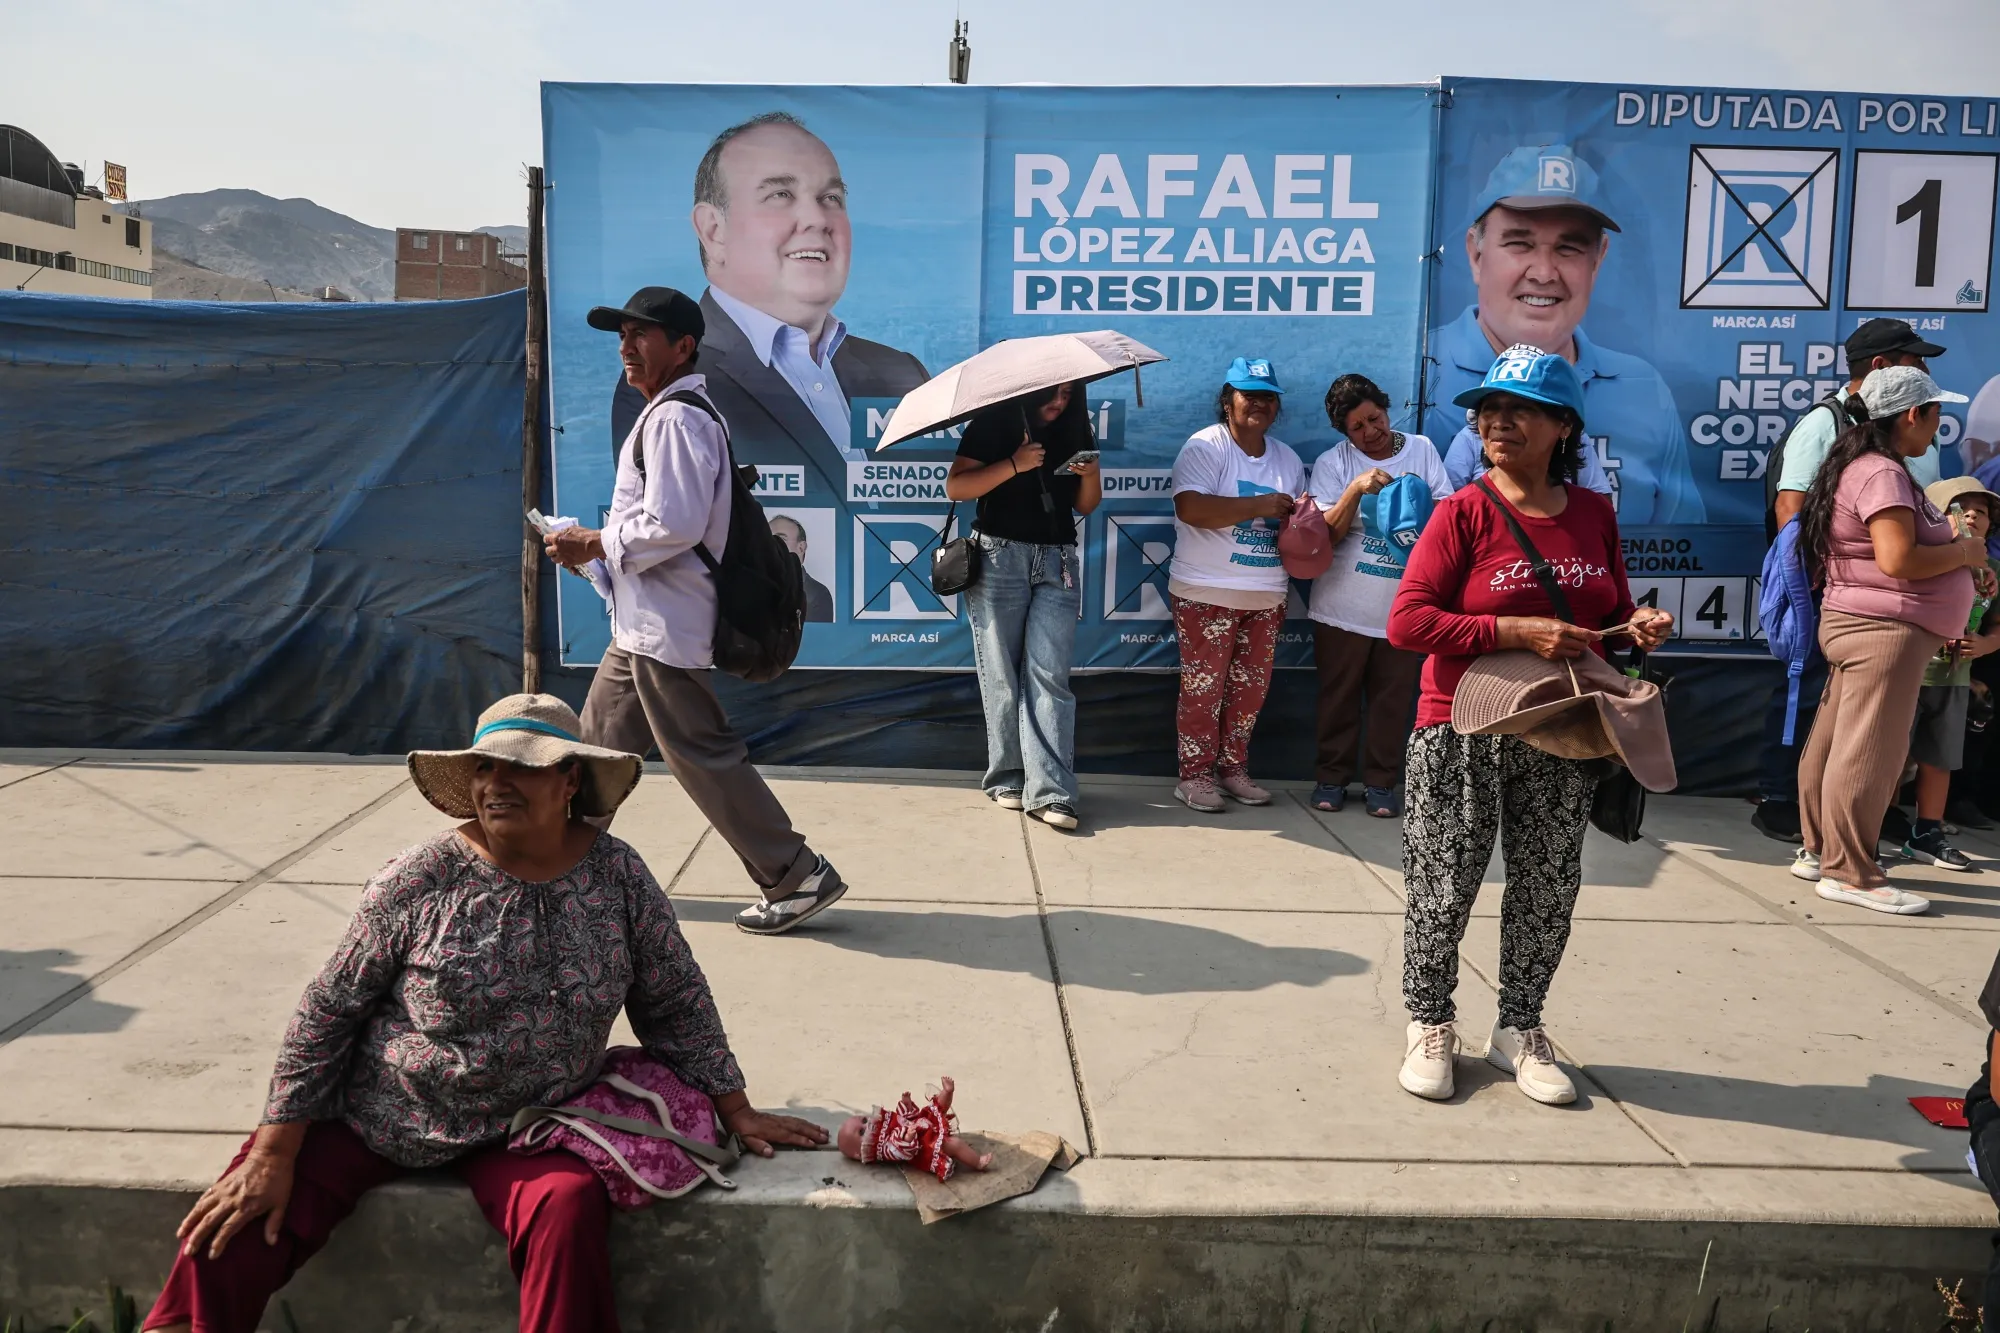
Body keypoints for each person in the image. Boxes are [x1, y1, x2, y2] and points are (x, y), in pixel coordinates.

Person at [139, 694, 826, 1333]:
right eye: (486, 767)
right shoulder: (417, 878)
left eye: (523, 768)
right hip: (379, 1111)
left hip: (528, 1126)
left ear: (570, 783)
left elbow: (675, 999)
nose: (498, 781)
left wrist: (736, 1109)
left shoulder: (618, 876)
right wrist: (273, 1150)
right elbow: (328, 1011)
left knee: (566, 1204)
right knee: (236, 1218)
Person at [1387, 346, 1674, 1106]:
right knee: (1443, 885)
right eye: (1488, 408)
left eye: (1519, 409)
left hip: (1562, 728)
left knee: (1548, 885)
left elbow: (1604, 615)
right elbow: (1408, 621)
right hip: (1462, 728)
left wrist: (1633, 626)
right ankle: (1429, 1019)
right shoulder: (1464, 511)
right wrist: (1517, 631)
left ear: (1562, 425)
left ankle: (1521, 1025)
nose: (1497, 421)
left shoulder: (1593, 513)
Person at [548, 286, 847, 937]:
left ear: (682, 345)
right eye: (621, 335)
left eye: (641, 334)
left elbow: (674, 525)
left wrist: (593, 542)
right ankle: (561, 867)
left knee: (703, 756)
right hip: (643, 627)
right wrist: (591, 557)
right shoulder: (671, 414)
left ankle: (795, 873)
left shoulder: (676, 419)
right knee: (599, 750)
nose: (626, 346)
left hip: (664, 631)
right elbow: (662, 532)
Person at [610, 111, 928, 490]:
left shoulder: (902, 373)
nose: (817, 218)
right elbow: (662, 523)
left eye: (831, 197)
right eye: (780, 194)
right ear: (714, 230)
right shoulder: (667, 382)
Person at [1425, 143, 1704, 524]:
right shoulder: (1422, 368)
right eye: (1519, 243)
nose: (1543, 273)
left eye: (1569, 247)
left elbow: (1680, 542)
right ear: (1476, 255)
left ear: (1598, 259)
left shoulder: (1644, 387)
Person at [1752, 319, 1951, 844]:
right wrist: (1822, 577)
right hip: (1838, 592)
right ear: (1883, 367)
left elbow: (1928, 512)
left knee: (1880, 716)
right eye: (1916, 360)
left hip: (1905, 601)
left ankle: (1870, 808)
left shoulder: (1917, 434)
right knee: (1814, 692)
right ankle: (1784, 801)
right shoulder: (1828, 423)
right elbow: (1791, 507)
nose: (1926, 370)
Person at [1791, 367, 1977, 916]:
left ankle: (1820, 849)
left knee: (1837, 740)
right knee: (1871, 750)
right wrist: (1965, 553)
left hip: (1864, 624)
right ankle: (1851, 872)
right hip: (1884, 631)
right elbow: (1899, 560)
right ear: (1913, 415)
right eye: (1937, 414)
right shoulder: (1881, 474)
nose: (1940, 427)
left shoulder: (1864, 466)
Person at [946, 381, 1102, 831]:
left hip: (1057, 560)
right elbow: (957, 486)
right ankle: (1009, 778)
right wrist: (1014, 464)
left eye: (1068, 395)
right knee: (1001, 672)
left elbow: (1085, 506)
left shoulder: (1077, 429)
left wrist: (1090, 475)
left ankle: (1053, 792)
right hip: (998, 556)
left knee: (1050, 675)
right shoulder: (994, 422)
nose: (1058, 403)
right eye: (1050, 394)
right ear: (1029, 391)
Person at [1305, 373, 1451, 817]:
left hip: (1404, 608)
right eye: (1357, 427)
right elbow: (1324, 534)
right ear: (1343, 433)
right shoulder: (1334, 463)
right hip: (1341, 608)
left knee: (1393, 699)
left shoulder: (1422, 449)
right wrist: (1355, 489)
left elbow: (1447, 513)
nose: (1370, 431)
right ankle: (1331, 778)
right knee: (1338, 696)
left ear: (1387, 409)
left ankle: (1382, 784)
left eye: (1375, 418)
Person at [1167, 356, 1305, 814]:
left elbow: (1299, 524)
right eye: (1250, 395)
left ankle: (1233, 769)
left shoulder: (1286, 457)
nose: (1260, 404)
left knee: (1249, 692)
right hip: (1206, 591)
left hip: (1267, 593)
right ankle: (1194, 776)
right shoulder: (1206, 447)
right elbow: (1192, 509)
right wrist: (1260, 505)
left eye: (1269, 397)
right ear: (1228, 402)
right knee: (1203, 689)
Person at [1899, 478, 2000, 871]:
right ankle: (1871, 829)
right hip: (1909, 674)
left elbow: (1995, 624)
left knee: (1938, 760)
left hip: (1953, 681)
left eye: (1984, 511)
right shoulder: (1923, 557)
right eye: (1960, 508)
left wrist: (1989, 644)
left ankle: (1927, 832)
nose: (1973, 515)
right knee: (1891, 758)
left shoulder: (1992, 570)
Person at [769, 513, 835, 622]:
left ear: (801, 548)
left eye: (780, 539)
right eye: (767, 539)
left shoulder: (817, 595)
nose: (772, 545)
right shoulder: (750, 588)